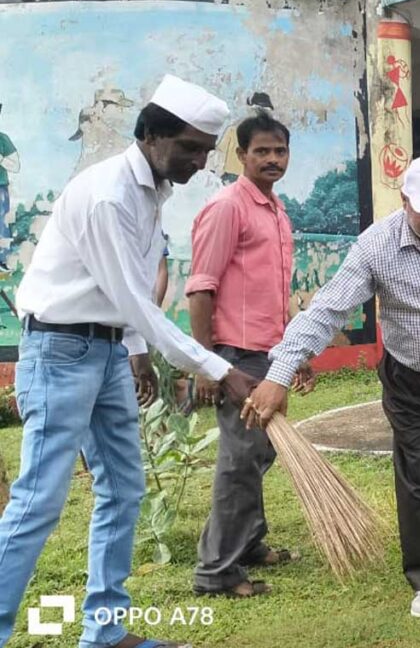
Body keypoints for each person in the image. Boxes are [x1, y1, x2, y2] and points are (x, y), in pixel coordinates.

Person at [0, 74, 260, 648]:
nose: (198, 161)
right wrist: (218, 367)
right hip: (60, 351)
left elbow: (132, 293)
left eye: (204, 149)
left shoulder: (152, 192)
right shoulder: (109, 194)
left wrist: (136, 354)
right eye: (190, 147)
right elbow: (133, 299)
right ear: (150, 135)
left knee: (124, 489)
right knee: (39, 501)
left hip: (109, 350)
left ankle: (106, 631)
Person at [243, 155, 420, 618]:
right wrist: (280, 371)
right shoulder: (376, 246)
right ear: (404, 202)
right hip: (414, 379)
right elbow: (329, 310)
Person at [187, 112, 314, 598]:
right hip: (235, 357)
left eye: (279, 151)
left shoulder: (275, 210)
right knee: (240, 460)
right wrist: (207, 363)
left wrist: (291, 353)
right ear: (241, 155)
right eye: (261, 151)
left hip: (267, 353)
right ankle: (216, 572)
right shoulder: (227, 207)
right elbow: (201, 288)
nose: (272, 159)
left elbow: (269, 294)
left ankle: (249, 544)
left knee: (259, 453)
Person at [0, 104, 20, 272]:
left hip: (0, 188)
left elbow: (16, 166)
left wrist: (0, 159)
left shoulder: (3, 139)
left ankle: (3, 261)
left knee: (2, 223)